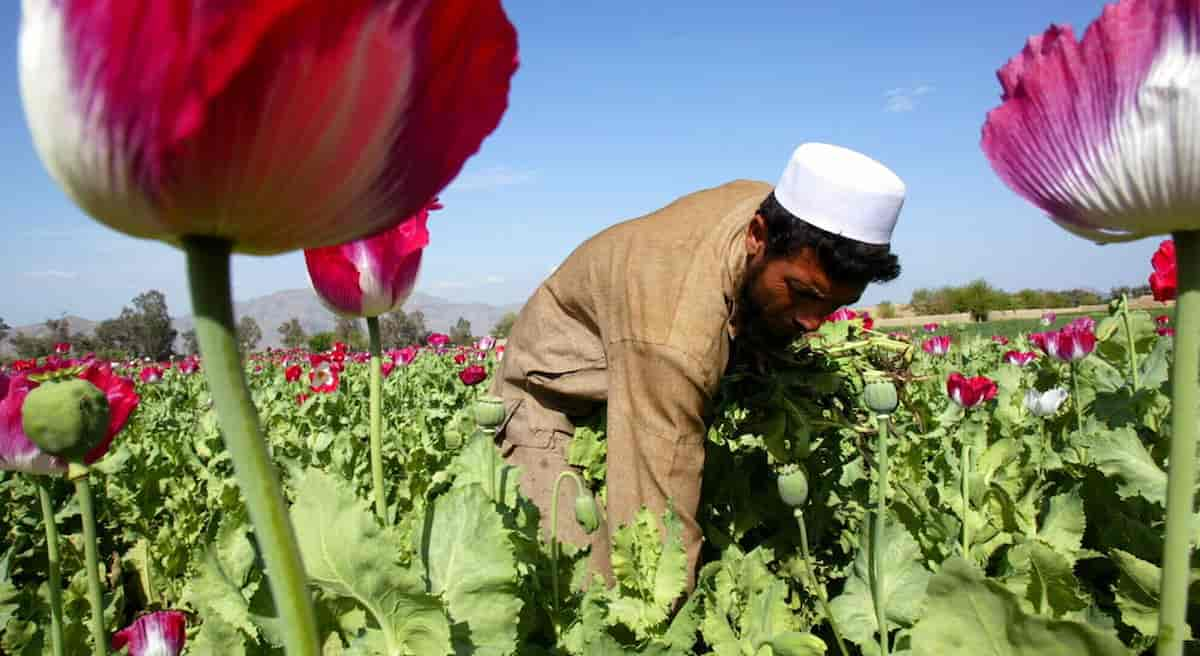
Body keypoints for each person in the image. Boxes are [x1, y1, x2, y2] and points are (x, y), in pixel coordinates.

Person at [489, 142, 906, 587]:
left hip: (636, 372)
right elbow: (655, 525)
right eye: (803, 293)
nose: (812, 322)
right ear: (757, 236)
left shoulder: (778, 212)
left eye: (838, 305)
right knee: (592, 584)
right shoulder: (673, 337)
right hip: (547, 406)